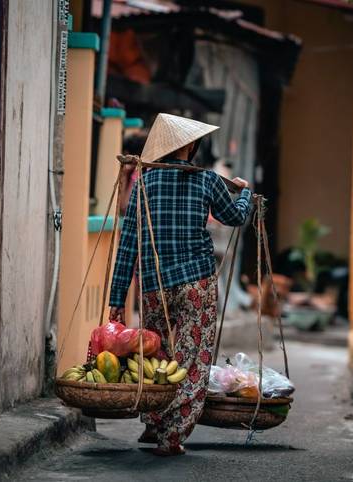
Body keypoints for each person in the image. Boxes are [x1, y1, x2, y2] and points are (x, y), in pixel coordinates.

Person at [108, 113, 252, 456]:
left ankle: (154, 423)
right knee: (192, 360)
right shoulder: (208, 181)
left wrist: (116, 298)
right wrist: (244, 193)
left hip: (155, 286)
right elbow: (236, 217)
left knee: (157, 357)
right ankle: (171, 435)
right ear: (189, 145)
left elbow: (128, 243)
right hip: (196, 285)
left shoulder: (144, 183)